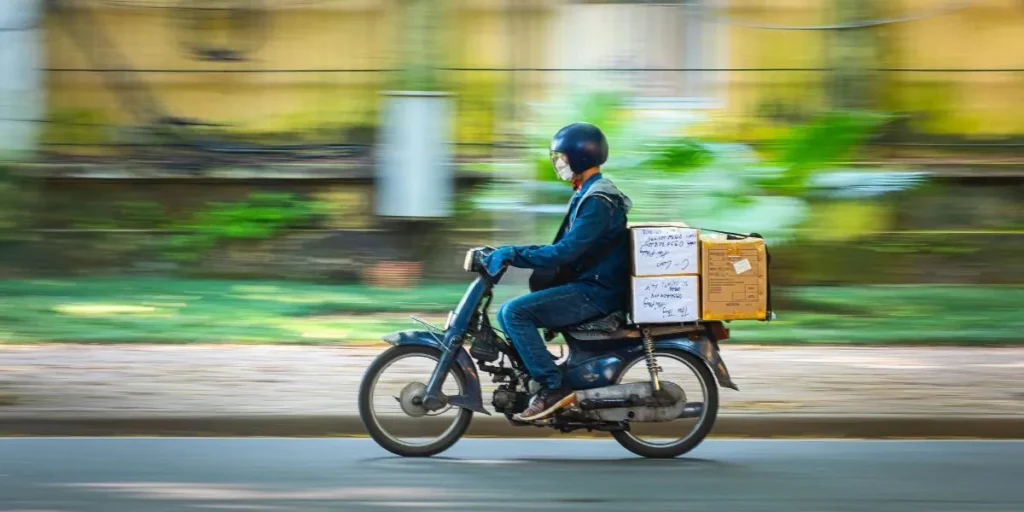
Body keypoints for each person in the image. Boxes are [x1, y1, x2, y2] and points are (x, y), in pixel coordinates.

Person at [482, 122, 633, 421]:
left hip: (596, 292)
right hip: (592, 285)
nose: (558, 164)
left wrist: (514, 254)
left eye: (561, 158)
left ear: (579, 157)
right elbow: (567, 248)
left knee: (514, 313)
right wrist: (517, 252)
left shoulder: (598, 202)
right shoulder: (589, 193)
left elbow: (564, 252)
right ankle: (544, 374)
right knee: (509, 312)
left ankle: (553, 386)